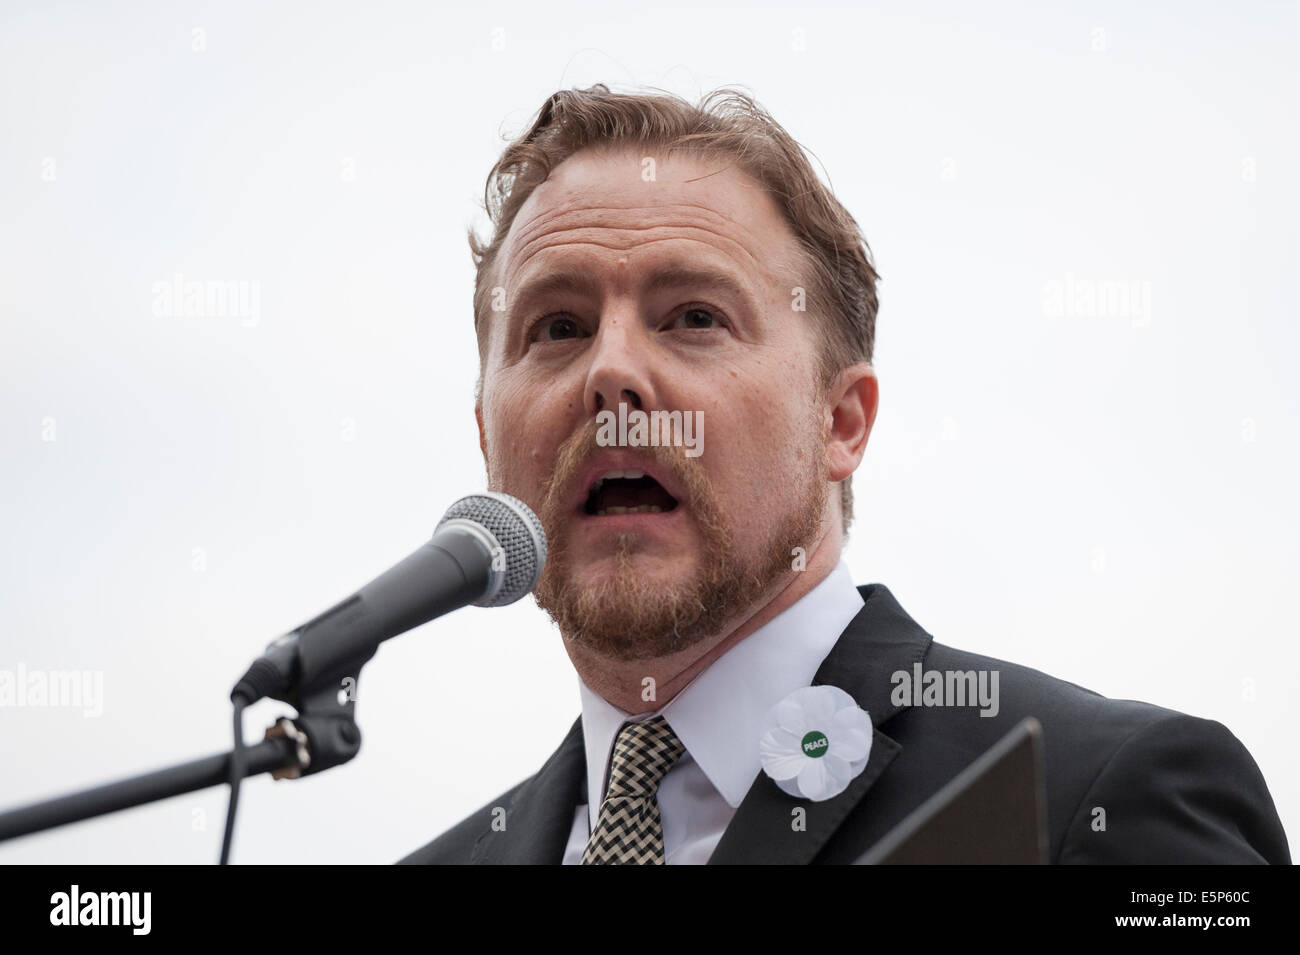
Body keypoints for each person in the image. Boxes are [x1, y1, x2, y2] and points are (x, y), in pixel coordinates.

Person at [400, 85, 1289, 864]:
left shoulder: (1101, 795)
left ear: (841, 421)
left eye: (694, 316)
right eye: (557, 327)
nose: (611, 372)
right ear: (488, 437)